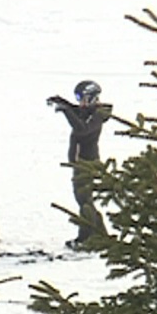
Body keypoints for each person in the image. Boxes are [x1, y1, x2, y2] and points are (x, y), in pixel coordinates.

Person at [47, 80, 111, 250]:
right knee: (84, 200)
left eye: (82, 99)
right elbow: (78, 112)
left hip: (88, 164)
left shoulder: (98, 114)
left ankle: (87, 239)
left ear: (91, 99)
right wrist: (62, 102)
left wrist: (66, 111)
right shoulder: (87, 111)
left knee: (85, 201)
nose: (80, 103)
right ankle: (101, 237)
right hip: (80, 164)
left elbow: (82, 128)